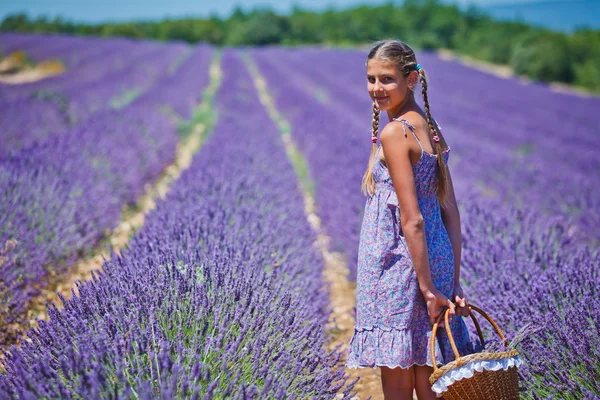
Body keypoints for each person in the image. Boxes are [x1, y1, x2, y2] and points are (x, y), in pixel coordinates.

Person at [345, 39, 475, 399]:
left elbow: (412, 219)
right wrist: (450, 281)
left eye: (386, 79)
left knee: (401, 382)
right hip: (432, 259)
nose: (376, 89)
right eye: (371, 79)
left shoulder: (394, 133)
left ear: (412, 79)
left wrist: (428, 288)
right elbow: (450, 211)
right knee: (430, 372)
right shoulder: (430, 127)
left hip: (398, 268)